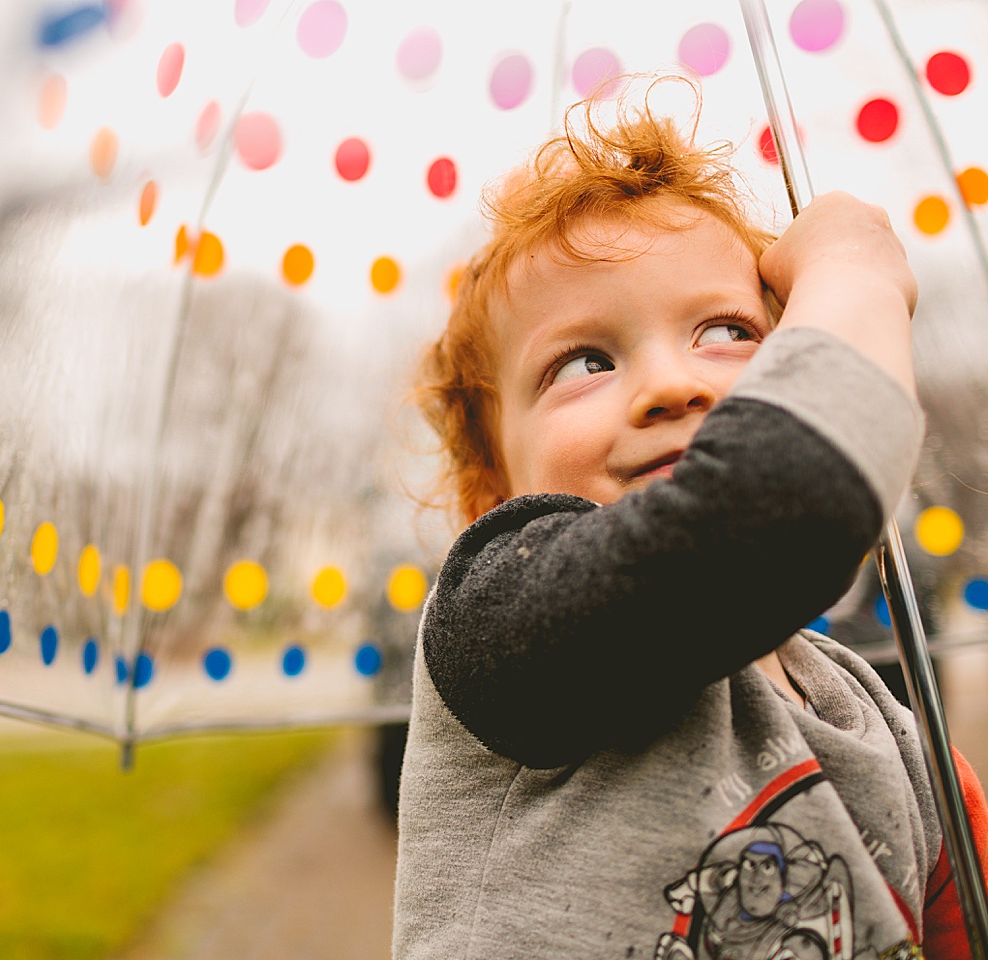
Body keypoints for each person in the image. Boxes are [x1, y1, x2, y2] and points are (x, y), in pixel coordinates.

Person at [393, 91, 988, 960]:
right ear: (493, 486)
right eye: (584, 361)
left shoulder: (874, 717)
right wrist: (852, 274)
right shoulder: (498, 622)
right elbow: (776, 504)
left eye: (725, 331)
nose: (673, 384)